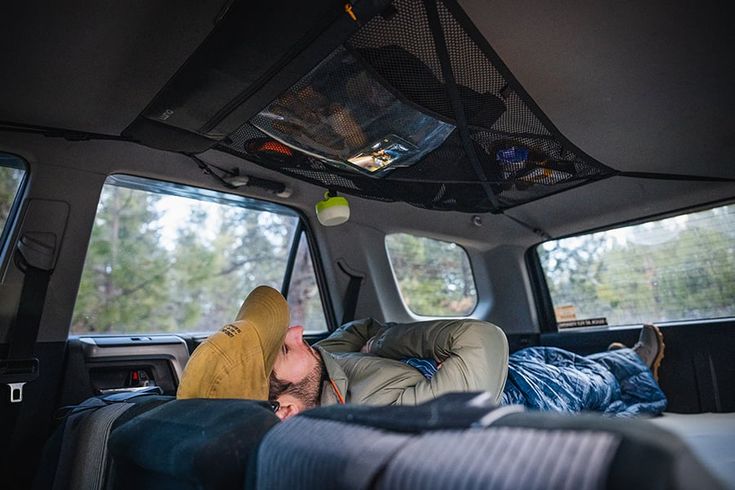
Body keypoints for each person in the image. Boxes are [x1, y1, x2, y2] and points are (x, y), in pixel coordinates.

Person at [177, 286, 667, 421]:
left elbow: (362, 327)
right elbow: (484, 339)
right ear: (284, 407)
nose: (299, 330)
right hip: (514, 394)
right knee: (585, 380)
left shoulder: (317, 363)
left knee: (546, 354)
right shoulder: (373, 418)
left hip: (483, 369)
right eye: (286, 346)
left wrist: (377, 339)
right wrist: (386, 344)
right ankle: (633, 363)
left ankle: (612, 358)